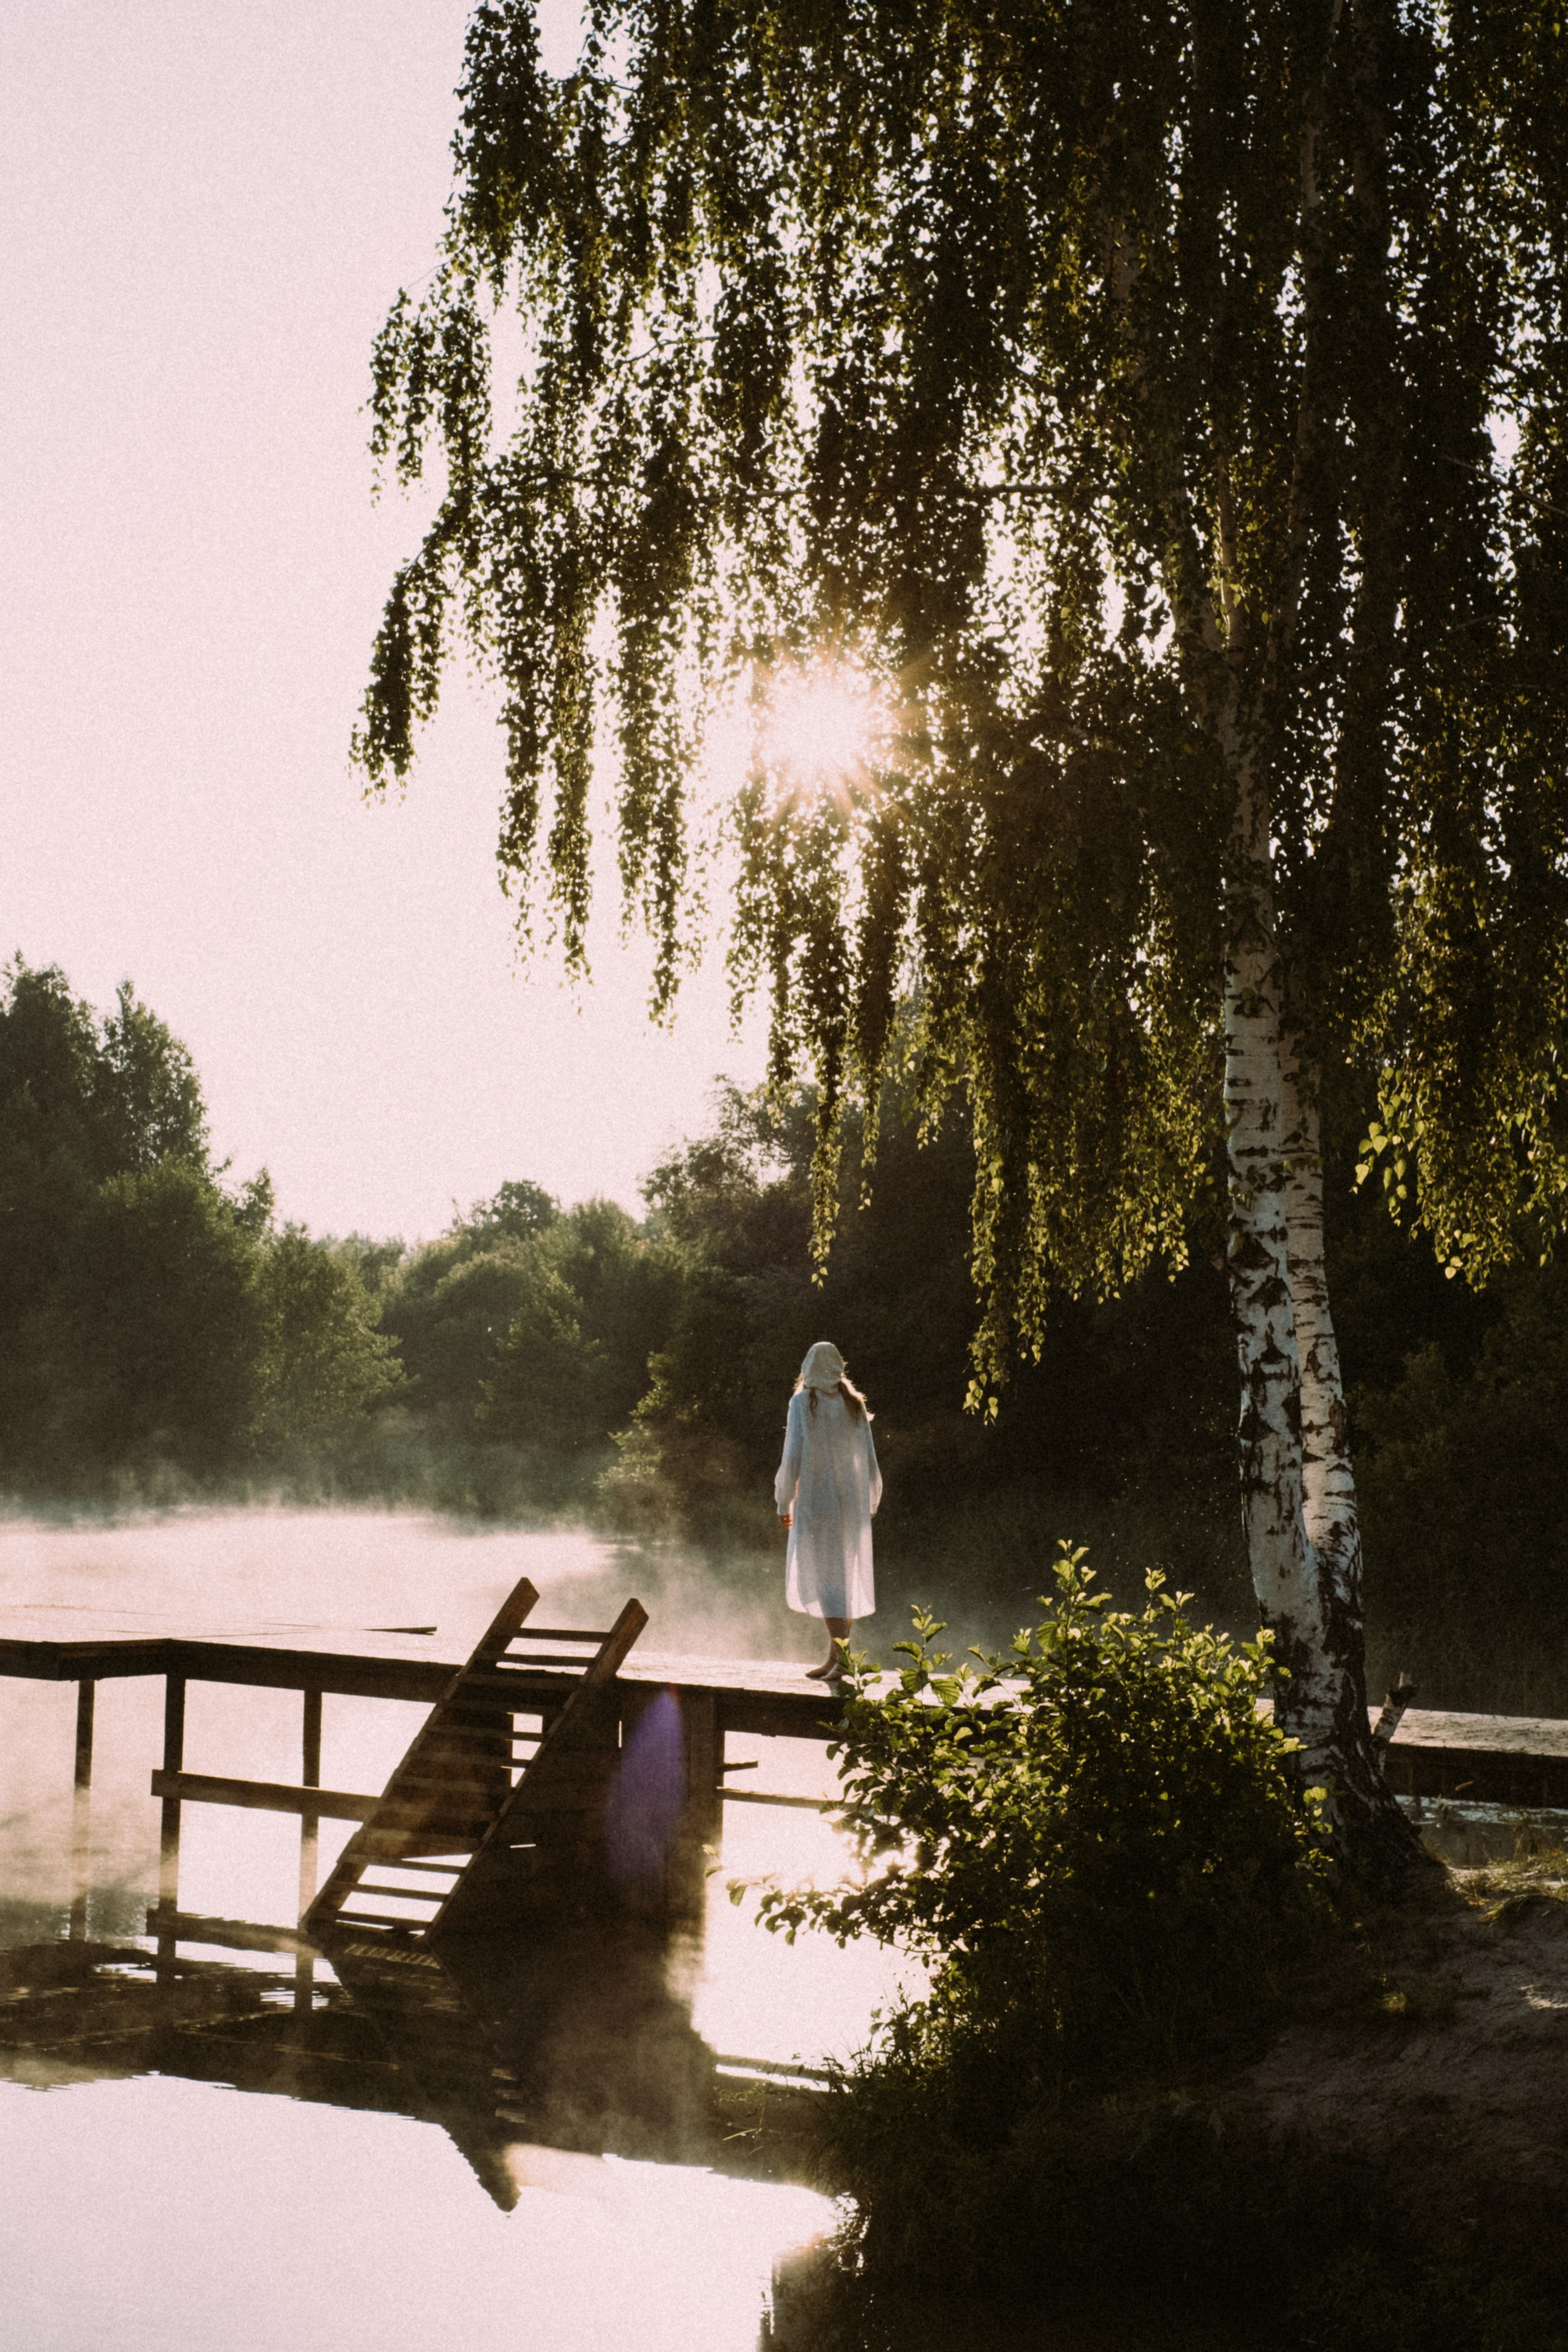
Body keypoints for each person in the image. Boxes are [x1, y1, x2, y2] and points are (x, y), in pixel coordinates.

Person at [774, 1340, 881, 1679]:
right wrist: (870, 1499)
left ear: (808, 1366)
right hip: (850, 1503)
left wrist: (782, 1500)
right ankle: (835, 1657)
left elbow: (792, 1456)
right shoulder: (853, 1404)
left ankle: (844, 1660)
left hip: (818, 1502)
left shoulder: (803, 1402)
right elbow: (868, 1459)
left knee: (827, 1579)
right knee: (842, 1576)